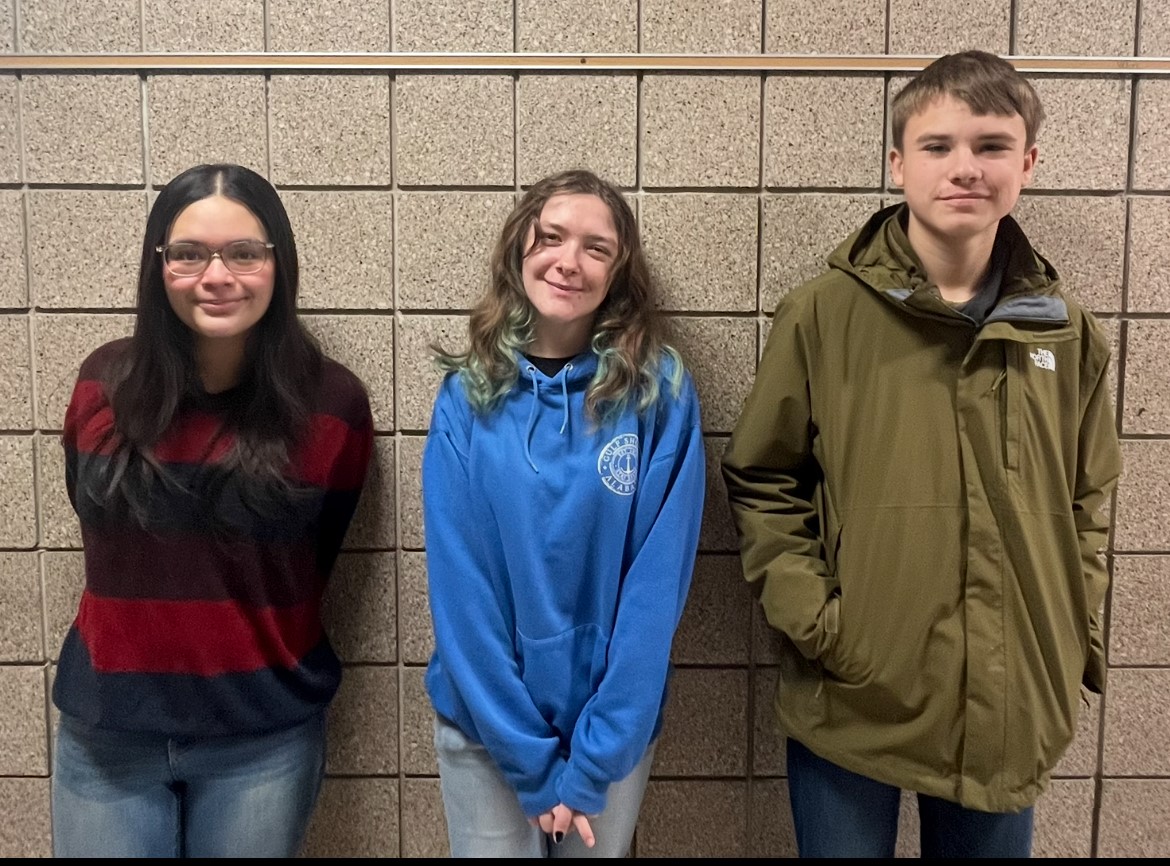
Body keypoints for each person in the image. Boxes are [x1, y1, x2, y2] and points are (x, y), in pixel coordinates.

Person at [722, 51, 1122, 858]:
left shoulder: (1065, 331)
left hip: (1012, 705)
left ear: (1028, 163)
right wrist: (823, 626)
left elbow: (1087, 502)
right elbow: (765, 477)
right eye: (938, 146)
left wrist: (1067, 634)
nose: (965, 168)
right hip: (854, 696)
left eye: (992, 145)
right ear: (898, 163)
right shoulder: (823, 314)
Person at [51, 164, 374, 858]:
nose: (216, 275)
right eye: (189, 254)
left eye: (244, 253)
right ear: (158, 265)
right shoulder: (100, 385)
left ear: (277, 264)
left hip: (262, 738)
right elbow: (92, 512)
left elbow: (315, 558)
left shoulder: (333, 406)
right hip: (108, 731)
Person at [422, 169, 705, 858]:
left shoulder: (657, 393)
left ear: (620, 273)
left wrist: (593, 760)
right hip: (486, 731)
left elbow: (655, 588)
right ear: (520, 249)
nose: (569, 261)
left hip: (607, 739)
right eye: (551, 237)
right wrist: (529, 760)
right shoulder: (467, 399)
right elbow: (463, 593)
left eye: (596, 248)